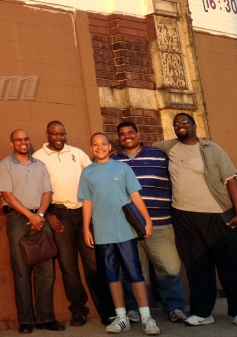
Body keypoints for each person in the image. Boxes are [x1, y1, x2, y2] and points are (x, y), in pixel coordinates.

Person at [152, 113, 237, 327]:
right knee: (197, 266)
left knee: (233, 265)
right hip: (185, 216)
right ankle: (202, 312)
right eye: (176, 124)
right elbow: (145, 146)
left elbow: (231, 180)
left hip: (217, 214)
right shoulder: (169, 147)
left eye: (184, 123)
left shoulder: (212, 149)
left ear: (194, 126)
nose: (180, 126)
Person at [33, 120, 115, 326]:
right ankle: (78, 310)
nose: (59, 137)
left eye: (62, 134)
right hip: (58, 215)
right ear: (47, 135)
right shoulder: (38, 158)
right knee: (68, 266)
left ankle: (107, 309)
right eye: (54, 134)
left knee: (93, 263)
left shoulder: (77, 153)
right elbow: (35, 190)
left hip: (83, 212)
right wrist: (48, 214)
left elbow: (93, 177)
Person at [78, 133, 160, 335]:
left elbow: (135, 195)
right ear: (91, 148)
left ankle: (146, 317)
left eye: (103, 144)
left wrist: (147, 220)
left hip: (125, 231)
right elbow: (87, 202)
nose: (100, 147)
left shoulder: (123, 168)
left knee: (135, 274)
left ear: (109, 146)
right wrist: (86, 228)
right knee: (112, 276)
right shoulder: (87, 173)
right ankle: (121, 317)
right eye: (95, 144)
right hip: (102, 233)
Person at [112, 121, 187, 324]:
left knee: (169, 267)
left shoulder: (158, 155)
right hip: (127, 225)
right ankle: (135, 308)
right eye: (122, 134)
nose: (127, 136)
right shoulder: (112, 160)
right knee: (134, 270)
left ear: (139, 133)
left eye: (130, 132)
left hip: (160, 222)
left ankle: (175, 306)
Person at [0, 129, 65, 333]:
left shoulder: (40, 165)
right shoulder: (5, 165)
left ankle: (45, 318)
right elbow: (7, 195)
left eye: (26, 138)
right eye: (18, 140)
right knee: (21, 270)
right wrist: (30, 216)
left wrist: (41, 216)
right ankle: (26, 320)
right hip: (18, 219)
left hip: (40, 218)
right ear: (12, 144)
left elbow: (47, 192)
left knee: (46, 271)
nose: (23, 142)